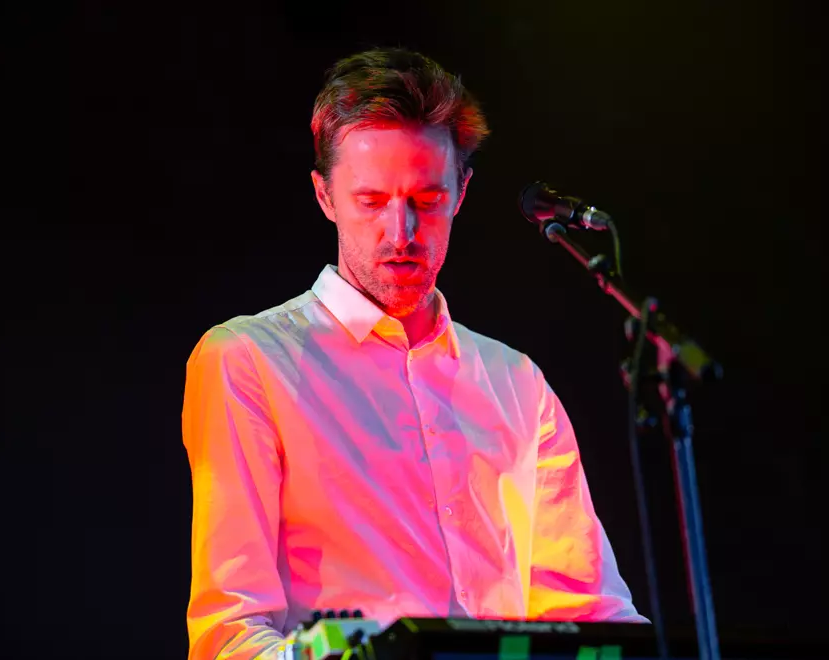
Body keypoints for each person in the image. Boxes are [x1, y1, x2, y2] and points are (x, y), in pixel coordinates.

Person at [181, 47, 646, 660]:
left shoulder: (517, 384)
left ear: (461, 193)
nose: (400, 234)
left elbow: (591, 614)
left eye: (426, 201)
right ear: (325, 196)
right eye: (371, 201)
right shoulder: (247, 361)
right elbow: (230, 633)